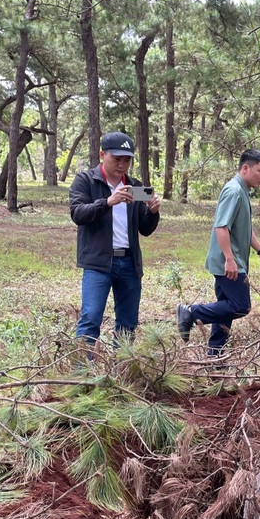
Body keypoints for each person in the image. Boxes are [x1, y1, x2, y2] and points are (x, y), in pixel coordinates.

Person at [70, 132, 161, 354]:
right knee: (91, 318)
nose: (122, 165)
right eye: (117, 159)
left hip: (129, 263)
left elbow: (145, 229)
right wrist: (108, 202)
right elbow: (78, 214)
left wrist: (153, 212)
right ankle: (81, 373)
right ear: (102, 155)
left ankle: (122, 370)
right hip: (98, 263)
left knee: (128, 323)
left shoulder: (134, 186)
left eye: (127, 160)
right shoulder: (86, 181)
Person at [177, 149, 260, 355]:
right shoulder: (234, 191)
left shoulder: (242, 190)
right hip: (228, 263)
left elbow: (244, 229)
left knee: (224, 310)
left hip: (231, 260)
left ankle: (215, 357)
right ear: (245, 168)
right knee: (240, 306)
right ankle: (190, 312)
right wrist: (230, 259)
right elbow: (222, 227)